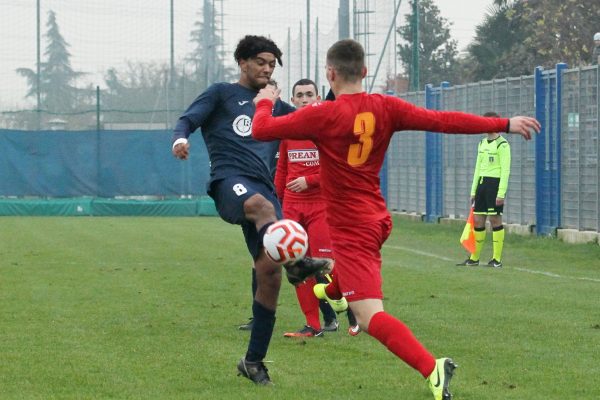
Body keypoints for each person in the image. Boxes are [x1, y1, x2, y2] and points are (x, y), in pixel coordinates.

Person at [251, 39, 540, 400]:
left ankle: (432, 368)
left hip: (353, 228)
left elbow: (261, 129)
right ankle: (331, 290)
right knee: (340, 280)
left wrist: (264, 101)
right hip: (377, 219)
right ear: (365, 72)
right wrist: (504, 123)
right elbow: (442, 121)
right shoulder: (385, 107)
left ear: (330, 74)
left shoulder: (323, 114)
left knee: (370, 317)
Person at [171, 35, 331, 386]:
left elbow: (308, 120)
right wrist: (180, 139)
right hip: (229, 182)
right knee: (260, 207)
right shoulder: (220, 93)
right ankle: (297, 262)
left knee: (268, 274)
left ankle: (253, 361)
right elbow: (188, 120)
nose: (267, 68)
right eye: (261, 61)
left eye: (272, 64)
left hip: (265, 193)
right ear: (242, 62)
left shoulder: (272, 104)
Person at [276, 78, 359, 338]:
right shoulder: (288, 129)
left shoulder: (328, 129)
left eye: (308, 94)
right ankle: (312, 325)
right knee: (295, 264)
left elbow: (340, 170)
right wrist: (278, 204)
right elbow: (282, 170)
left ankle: (353, 310)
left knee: (326, 263)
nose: (303, 99)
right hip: (292, 206)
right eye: (299, 95)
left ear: (318, 97)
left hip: (321, 204)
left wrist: (310, 180)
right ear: (292, 100)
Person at [456, 112, 511, 268]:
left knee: (495, 220)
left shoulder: (503, 145)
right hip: (481, 185)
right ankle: (474, 258)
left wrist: (501, 193)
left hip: (494, 185)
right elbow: (477, 168)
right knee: (478, 220)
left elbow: (505, 171)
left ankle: (497, 259)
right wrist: (473, 191)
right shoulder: (481, 143)